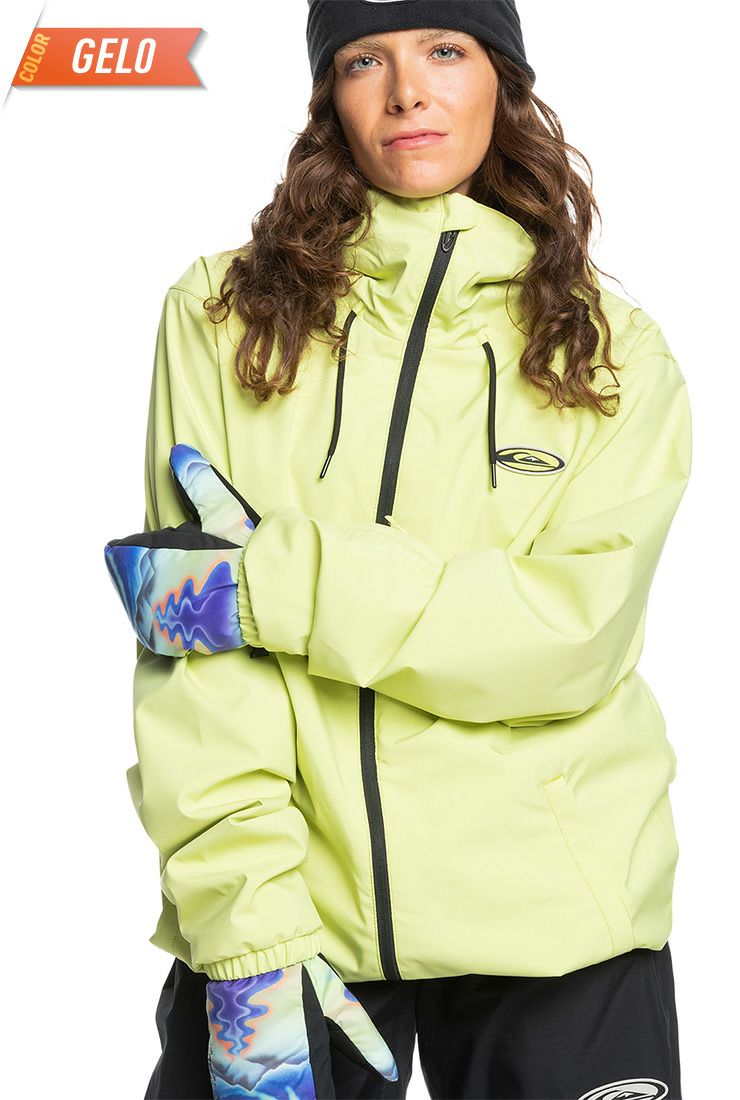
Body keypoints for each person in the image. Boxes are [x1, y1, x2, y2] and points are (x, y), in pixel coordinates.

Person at [104, 2, 691, 1097]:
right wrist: (246, 927)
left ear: (501, 78)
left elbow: (567, 637)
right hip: (288, 932)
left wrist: (271, 583)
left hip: (561, 925)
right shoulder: (222, 318)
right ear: (328, 92)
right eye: (364, 58)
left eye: (444, 49)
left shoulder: (612, 353)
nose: (407, 90)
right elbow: (194, 659)